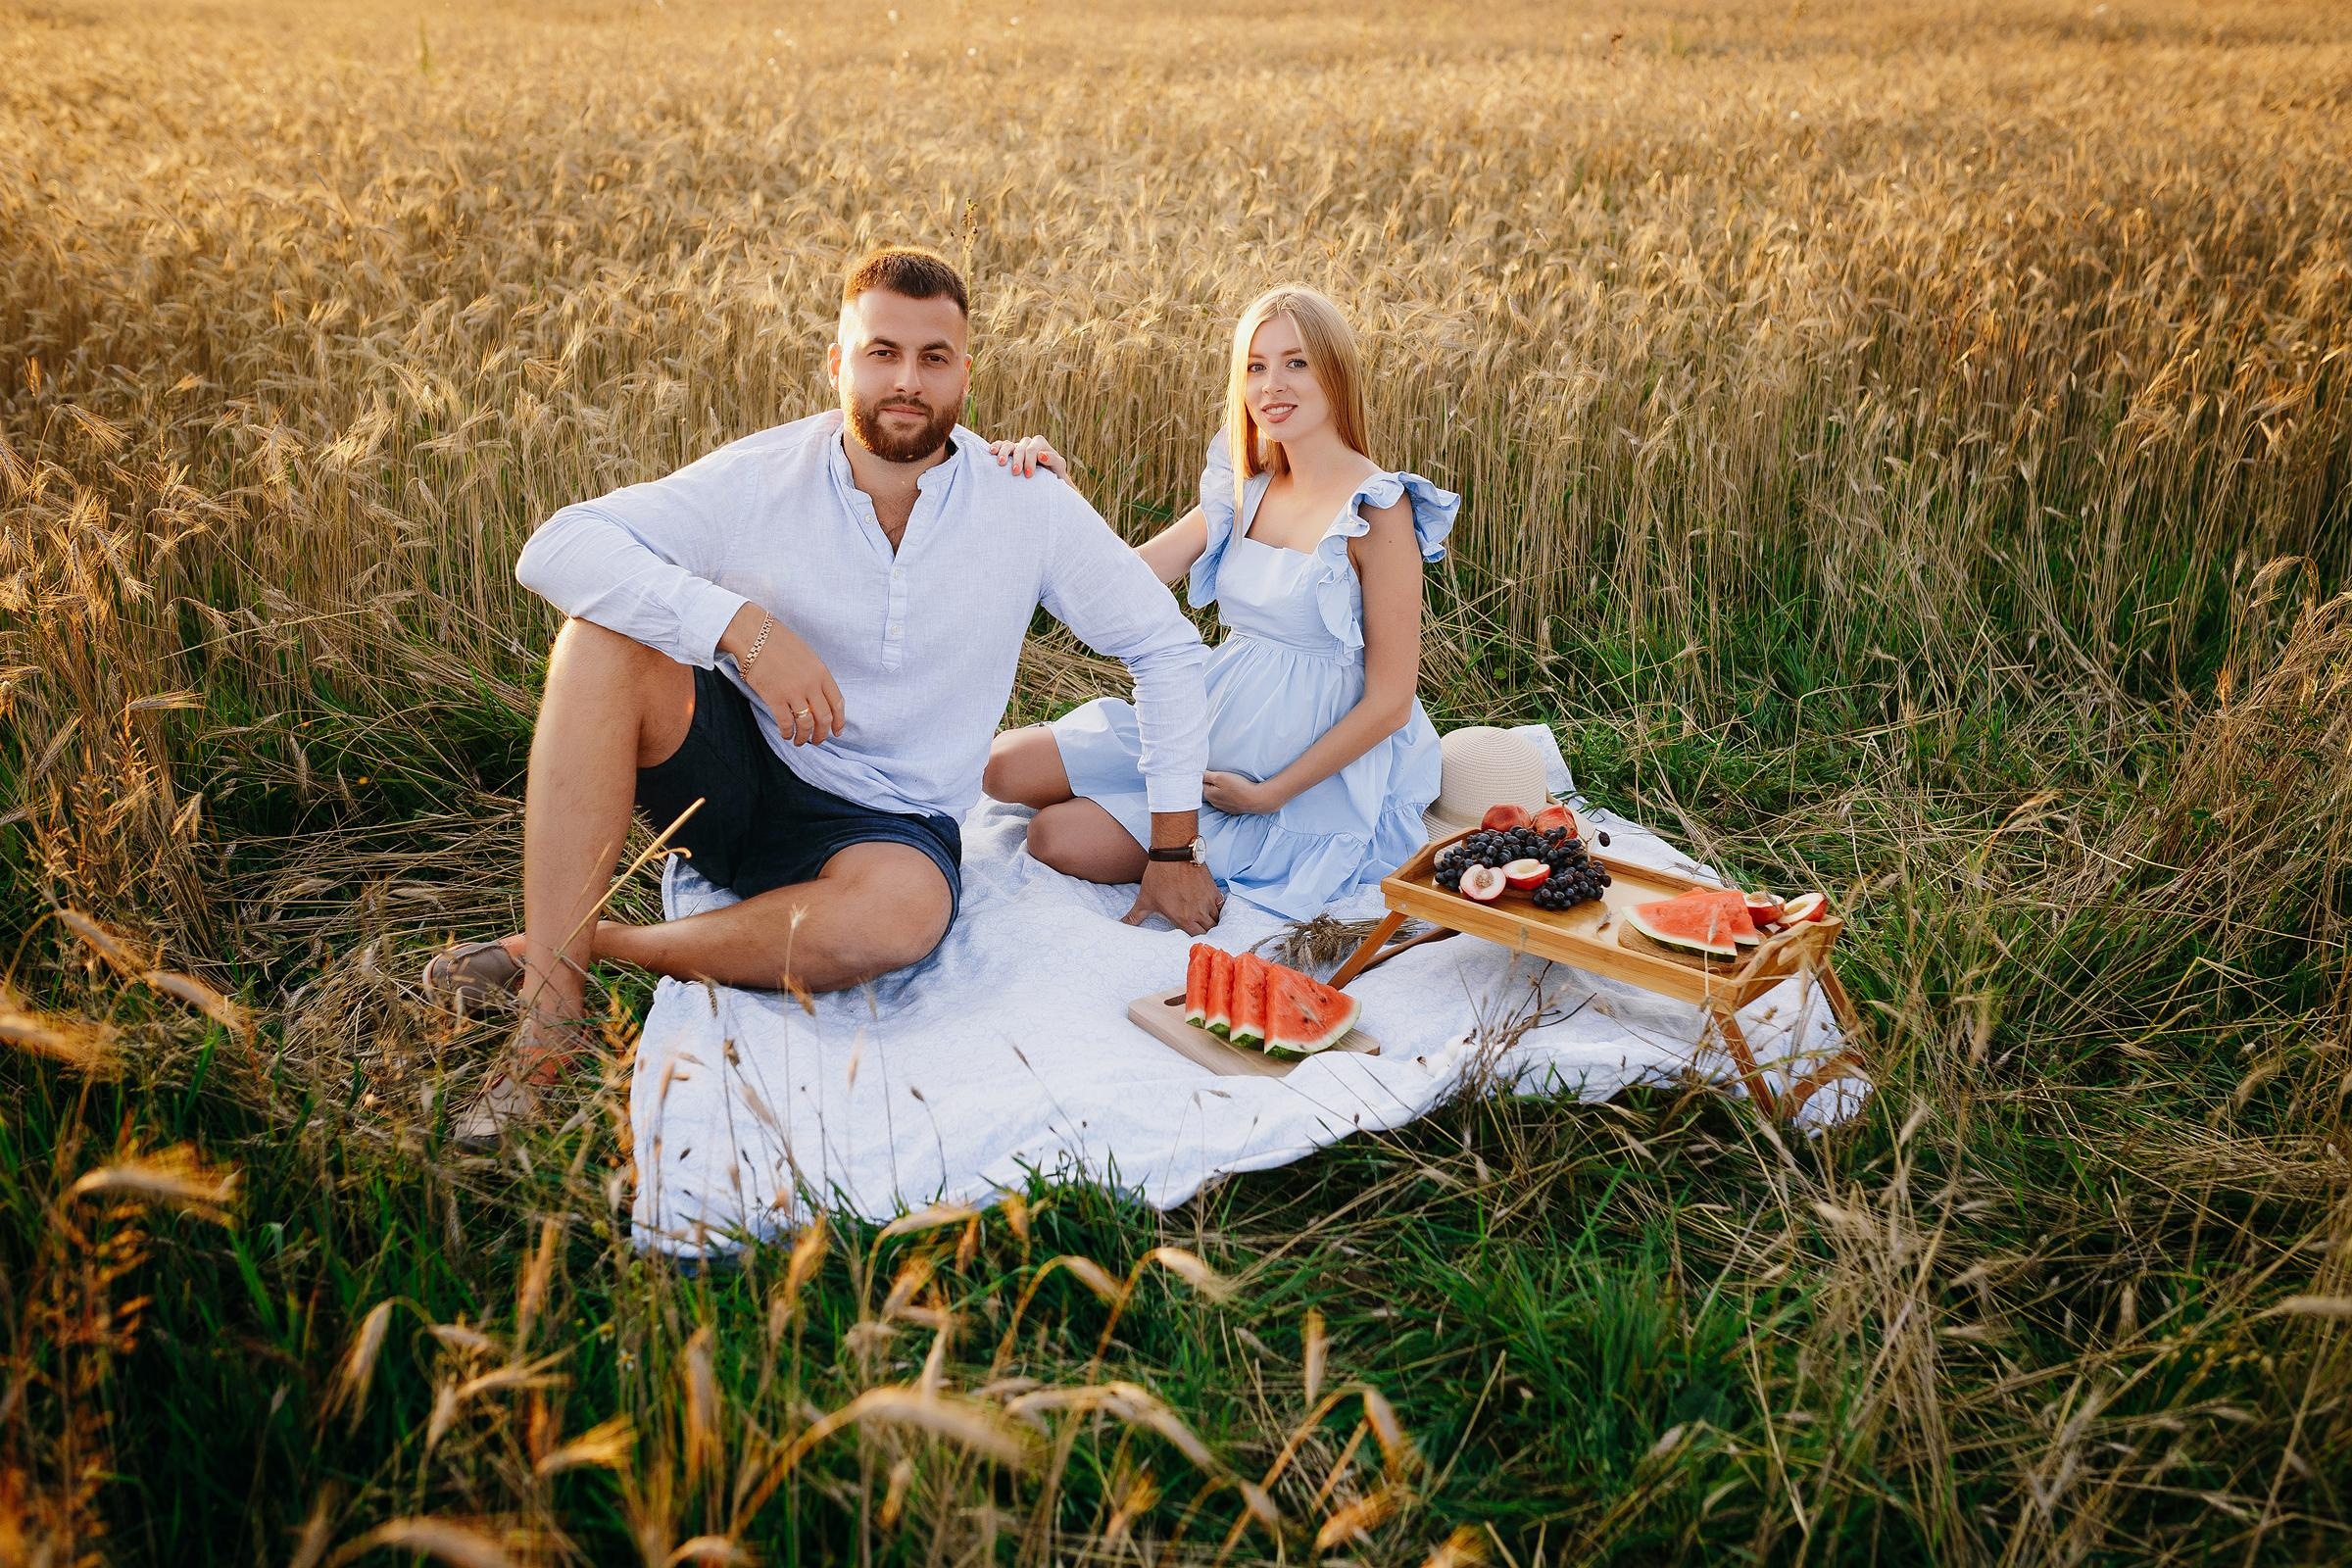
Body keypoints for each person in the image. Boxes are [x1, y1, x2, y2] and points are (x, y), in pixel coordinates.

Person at [425, 246, 1221, 1144]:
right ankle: (551, 1022)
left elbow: (1164, 648)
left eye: (933, 358)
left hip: (888, 828)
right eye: (882, 352)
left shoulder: (1024, 501)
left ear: (966, 372)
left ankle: (581, 945)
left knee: (905, 918)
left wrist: (1173, 843)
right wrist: (744, 631)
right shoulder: (762, 476)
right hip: (733, 778)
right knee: (600, 638)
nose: (907, 381)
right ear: (837, 362)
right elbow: (556, 548)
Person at [982, 286, 1458, 922]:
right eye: (1255, 367)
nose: (1272, 385)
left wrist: (1270, 796)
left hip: (1300, 762)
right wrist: (1057, 493)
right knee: (1003, 769)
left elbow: (1391, 700)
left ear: (1335, 373)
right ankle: (1154, 799)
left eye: (1296, 363)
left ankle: (1191, 830)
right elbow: (1131, 575)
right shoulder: (1247, 488)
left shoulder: (1379, 506)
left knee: (1054, 838)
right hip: (1217, 709)